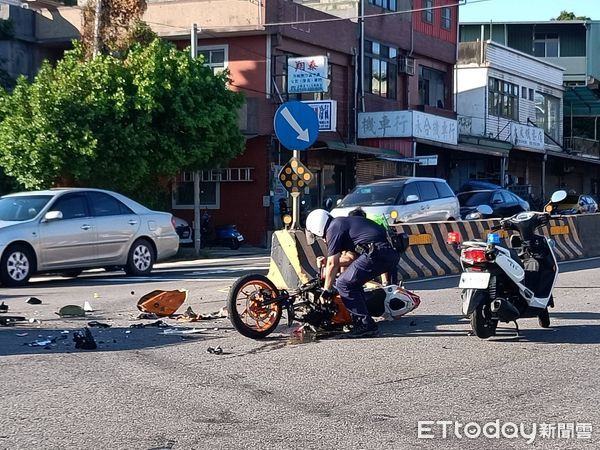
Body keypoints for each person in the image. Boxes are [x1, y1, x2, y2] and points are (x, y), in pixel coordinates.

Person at [305, 209, 400, 338]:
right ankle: (359, 318)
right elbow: (351, 259)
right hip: (387, 253)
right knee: (352, 282)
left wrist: (326, 290)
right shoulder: (342, 224)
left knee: (343, 283)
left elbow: (333, 263)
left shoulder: (333, 229)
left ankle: (365, 325)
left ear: (318, 227)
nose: (322, 239)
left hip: (377, 253)